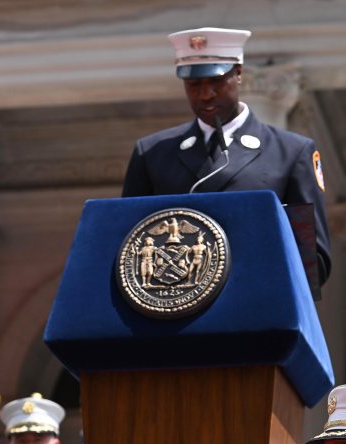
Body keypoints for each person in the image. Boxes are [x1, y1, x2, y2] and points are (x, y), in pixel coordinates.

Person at [121, 27, 332, 293]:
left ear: (239, 73)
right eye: (194, 84)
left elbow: (314, 262)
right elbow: (128, 247)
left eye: (216, 81)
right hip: (172, 313)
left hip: (254, 306)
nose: (206, 94)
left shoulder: (291, 152)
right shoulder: (152, 153)